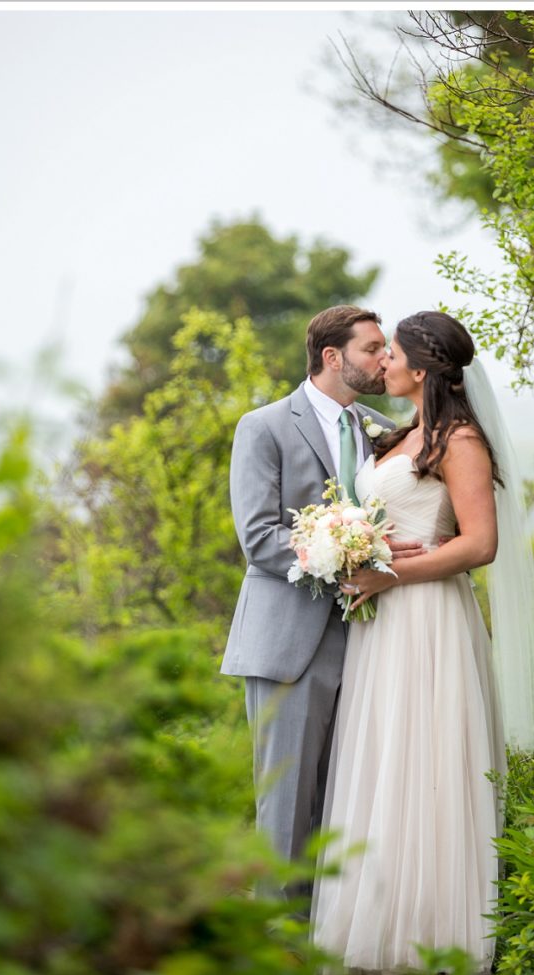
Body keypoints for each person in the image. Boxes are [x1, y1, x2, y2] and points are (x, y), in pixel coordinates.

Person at [310, 310, 534, 975]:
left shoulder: (460, 439)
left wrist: (389, 573)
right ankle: (379, 927)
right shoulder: (400, 436)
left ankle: (436, 935)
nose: (381, 362)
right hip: (384, 624)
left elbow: (480, 543)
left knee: (429, 763)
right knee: (386, 761)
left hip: (429, 620)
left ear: (419, 369)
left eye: (390, 353)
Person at [221, 305, 423, 900]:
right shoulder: (263, 427)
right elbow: (259, 539)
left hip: (370, 635)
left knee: (348, 795)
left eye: (386, 349)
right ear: (332, 357)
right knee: (285, 802)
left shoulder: (380, 427)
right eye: (372, 349)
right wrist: (344, 555)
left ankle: (333, 936)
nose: (384, 359)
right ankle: (276, 946)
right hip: (288, 639)